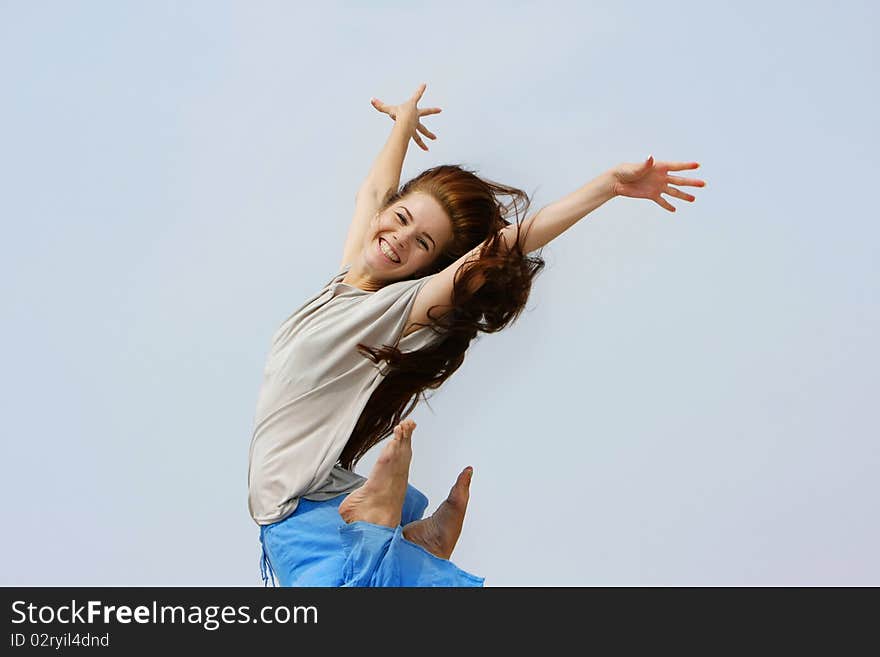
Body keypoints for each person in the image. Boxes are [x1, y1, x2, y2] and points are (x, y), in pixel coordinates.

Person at [248, 83, 707, 587]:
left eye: (422, 242)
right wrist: (403, 123)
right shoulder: (348, 281)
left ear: (429, 266)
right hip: (317, 499)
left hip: (296, 511)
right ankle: (412, 545)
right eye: (400, 219)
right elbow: (375, 190)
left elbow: (495, 252)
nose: (400, 238)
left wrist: (605, 187)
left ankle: (379, 530)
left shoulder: (393, 308)